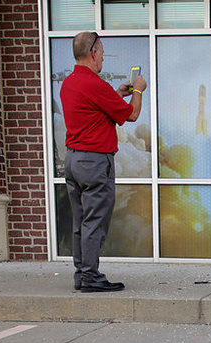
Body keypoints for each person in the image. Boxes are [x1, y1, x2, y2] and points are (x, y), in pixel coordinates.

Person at [61, 31, 147, 292]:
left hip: (74, 161)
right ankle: (91, 277)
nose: (103, 60)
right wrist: (138, 91)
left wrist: (117, 94)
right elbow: (131, 115)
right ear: (94, 52)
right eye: (102, 53)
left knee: (80, 222)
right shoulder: (94, 84)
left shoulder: (70, 83)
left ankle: (81, 274)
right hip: (94, 163)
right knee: (95, 222)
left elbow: (95, 107)